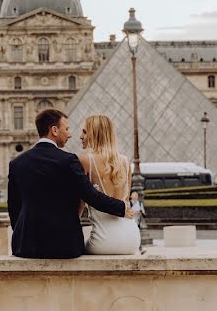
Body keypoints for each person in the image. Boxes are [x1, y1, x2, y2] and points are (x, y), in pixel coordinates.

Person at [7, 109, 133, 259]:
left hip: (25, 246)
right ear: (54, 130)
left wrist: (23, 235)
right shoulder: (68, 161)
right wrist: (121, 207)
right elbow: (90, 195)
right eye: (66, 129)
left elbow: (13, 207)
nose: (70, 134)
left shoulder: (17, 163)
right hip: (64, 246)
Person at [79, 115, 141, 254]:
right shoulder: (125, 161)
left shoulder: (85, 160)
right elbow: (125, 203)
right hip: (132, 239)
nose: (80, 136)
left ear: (95, 133)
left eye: (84, 131)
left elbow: (80, 205)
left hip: (103, 240)